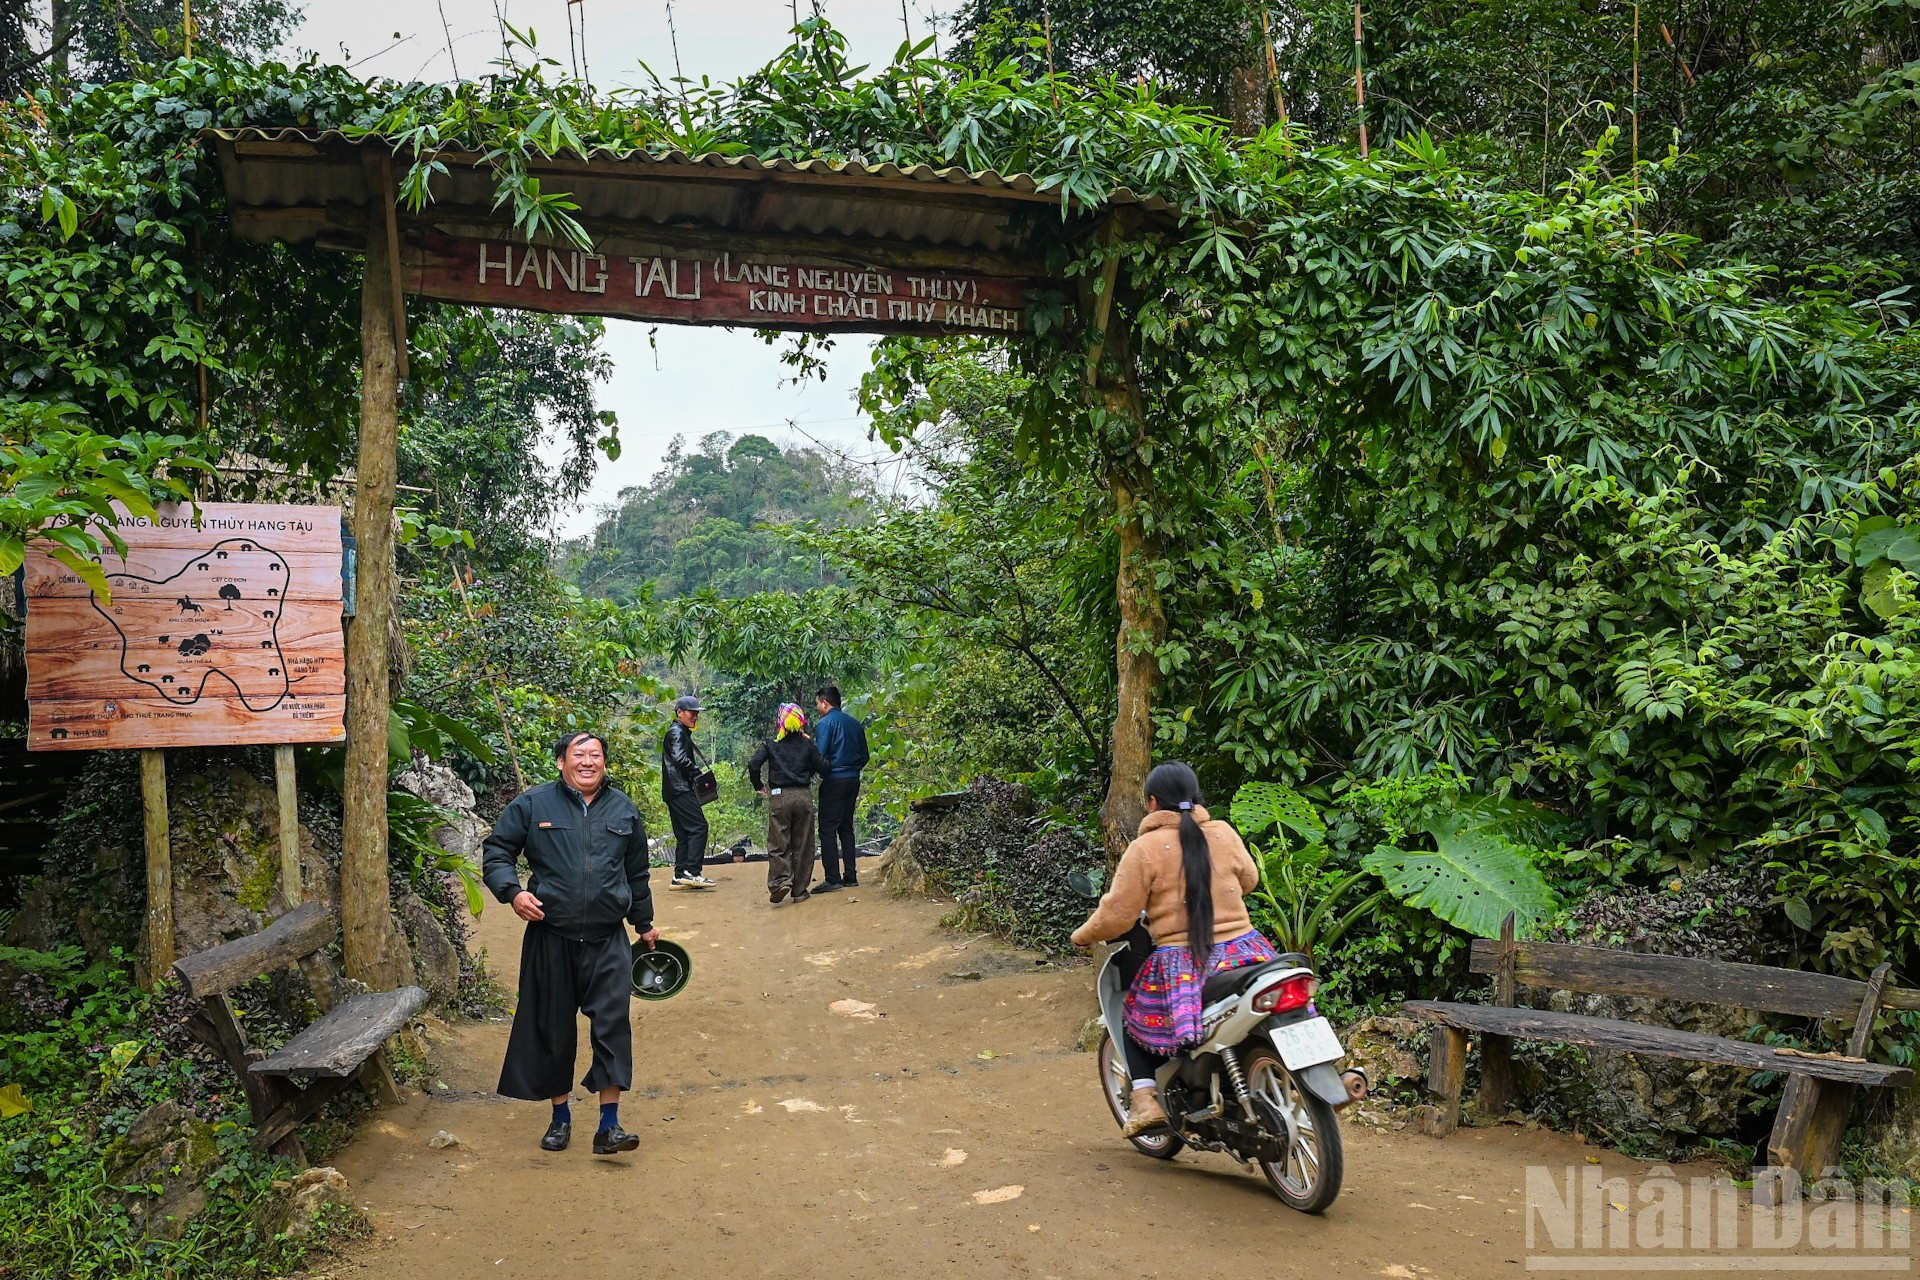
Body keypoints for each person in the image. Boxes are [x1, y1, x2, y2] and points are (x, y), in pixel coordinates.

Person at [1069, 760, 1274, 1138]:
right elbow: (1249, 880)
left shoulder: (1144, 849)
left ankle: (1145, 1100)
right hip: (1248, 950)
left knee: (1135, 1019)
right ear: (1195, 797)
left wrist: (1083, 935)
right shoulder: (1224, 833)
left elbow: (1118, 914)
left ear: (1151, 803)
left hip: (1183, 964)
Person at [482, 731, 657, 1156]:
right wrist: (513, 892)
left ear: (604, 763)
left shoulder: (623, 810)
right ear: (561, 761)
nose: (587, 762)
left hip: (606, 937)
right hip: (550, 935)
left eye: (595, 755)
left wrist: (644, 923)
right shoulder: (532, 804)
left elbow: (636, 873)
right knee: (552, 1028)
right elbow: (497, 850)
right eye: (579, 754)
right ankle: (560, 1118)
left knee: (612, 1026)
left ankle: (609, 1126)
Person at [748, 703, 829, 905]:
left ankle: (781, 881)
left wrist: (758, 785)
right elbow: (822, 767)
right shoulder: (807, 744)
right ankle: (800, 890)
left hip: (779, 796)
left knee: (778, 841)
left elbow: (753, 764)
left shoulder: (771, 743)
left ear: (780, 722)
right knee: (803, 844)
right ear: (801, 721)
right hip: (802, 796)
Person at [810, 684, 869, 893]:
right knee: (846, 827)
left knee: (827, 829)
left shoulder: (825, 724)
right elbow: (865, 756)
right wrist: (852, 769)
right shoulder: (855, 724)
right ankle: (850, 876)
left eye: (817, 703)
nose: (817, 707)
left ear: (825, 703)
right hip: (853, 778)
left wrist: (815, 772)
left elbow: (820, 755)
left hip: (834, 780)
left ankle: (832, 878)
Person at [660, 694, 714, 889]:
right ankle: (692, 871)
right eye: (692, 713)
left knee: (683, 833)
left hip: (673, 790)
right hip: (680, 788)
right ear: (679, 713)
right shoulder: (677, 732)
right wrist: (697, 774)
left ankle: (680, 875)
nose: (695, 716)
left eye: (696, 713)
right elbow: (679, 758)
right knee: (699, 827)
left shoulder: (678, 731)